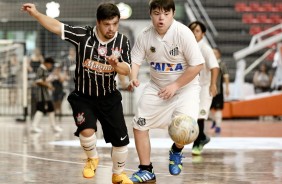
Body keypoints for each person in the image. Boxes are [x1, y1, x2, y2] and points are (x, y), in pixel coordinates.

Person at [22, 3, 133, 184]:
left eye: (115, 23)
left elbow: (126, 69)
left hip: (109, 97)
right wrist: (35, 14)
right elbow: (56, 26)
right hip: (84, 97)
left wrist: (115, 65)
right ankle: (92, 159)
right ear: (98, 22)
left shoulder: (122, 41)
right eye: (107, 24)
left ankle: (118, 173)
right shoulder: (83, 35)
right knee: (87, 131)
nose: (111, 28)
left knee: (121, 142)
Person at [128, 0, 204, 182]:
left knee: (187, 131)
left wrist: (176, 85)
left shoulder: (183, 33)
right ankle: (146, 170)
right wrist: (133, 76)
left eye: (166, 13)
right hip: (157, 88)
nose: (161, 18)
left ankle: (176, 150)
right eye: (156, 13)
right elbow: (136, 60)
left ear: (173, 13)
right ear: (150, 14)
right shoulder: (145, 35)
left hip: (185, 89)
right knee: (139, 124)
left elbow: (198, 65)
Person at [188, 21, 219, 155]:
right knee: (192, 116)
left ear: (203, 33)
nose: (194, 33)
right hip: (191, 87)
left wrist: (213, 84)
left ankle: (197, 143)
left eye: (197, 31)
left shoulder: (205, 48)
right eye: (192, 31)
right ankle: (202, 137)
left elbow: (215, 67)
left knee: (200, 116)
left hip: (204, 87)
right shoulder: (187, 47)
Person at [30, 57, 63, 133]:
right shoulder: (40, 69)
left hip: (45, 94)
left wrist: (49, 80)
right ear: (47, 63)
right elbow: (38, 81)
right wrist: (49, 85)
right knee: (41, 109)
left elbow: (43, 80)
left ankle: (53, 126)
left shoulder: (44, 70)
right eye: (51, 65)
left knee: (50, 108)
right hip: (41, 93)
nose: (51, 66)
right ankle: (34, 126)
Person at [209, 47, 230, 134]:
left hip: (218, 91)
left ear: (219, 54)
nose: (213, 55)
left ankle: (218, 126)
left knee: (218, 109)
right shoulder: (207, 63)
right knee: (206, 109)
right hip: (208, 90)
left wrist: (227, 88)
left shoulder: (222, 64)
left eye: (215, 53)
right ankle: (214, 120)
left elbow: (226, 76)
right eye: (212, 53)